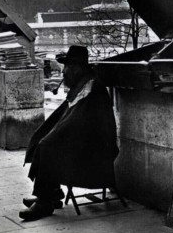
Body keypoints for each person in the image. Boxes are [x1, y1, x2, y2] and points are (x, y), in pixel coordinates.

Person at [19, 45, 119, 221]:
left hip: (95, 148)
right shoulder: (83, 85)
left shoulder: (91, 88)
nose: (64, 72)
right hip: (84, 139)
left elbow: (79, 122)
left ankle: (45, 202)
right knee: (42, 141)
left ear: (78, 69)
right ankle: (52, 193)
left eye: (68, 68)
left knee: (48, 146)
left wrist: (54, 137)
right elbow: (68, 119)